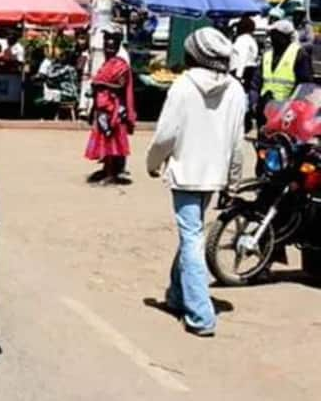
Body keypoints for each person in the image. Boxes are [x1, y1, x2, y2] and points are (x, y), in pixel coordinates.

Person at [146, 27, 247, 338]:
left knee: (192, 238)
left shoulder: (182, 87)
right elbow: (237, 142)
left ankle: (201, 315)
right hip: (213, 176)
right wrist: (232, 181)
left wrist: (152, 163)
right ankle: (178, 296)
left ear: (194, 56)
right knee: (192, 233)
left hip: (186, 173)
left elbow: (165, 135)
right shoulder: (236, 90)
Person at [84, 28, 136, 185]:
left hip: (115, 108)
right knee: (103, 139)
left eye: (112, 46)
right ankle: (105, 169)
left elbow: (121, 86)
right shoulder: (106, 64)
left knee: (112, 140)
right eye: (107, 45)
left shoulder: (121, 65)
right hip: (102, 106)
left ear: (118, 46)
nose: (109, 48)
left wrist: (100, 84)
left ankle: (112, 173)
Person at [248, 20, 314, 121]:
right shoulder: (267, 55)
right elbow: (255, 83)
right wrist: (254, 103)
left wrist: (293, 110)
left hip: (285, 114)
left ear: (284, 37)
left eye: (274, 34)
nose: (271, 38)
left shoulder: (299, 55)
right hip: (264, 111)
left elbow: (305, 87)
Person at [230, 16, 259, 85]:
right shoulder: (251, 40)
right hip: (249, 70)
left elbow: (242, 57)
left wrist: (238, 76)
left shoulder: (242, 40)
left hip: (240, 71)